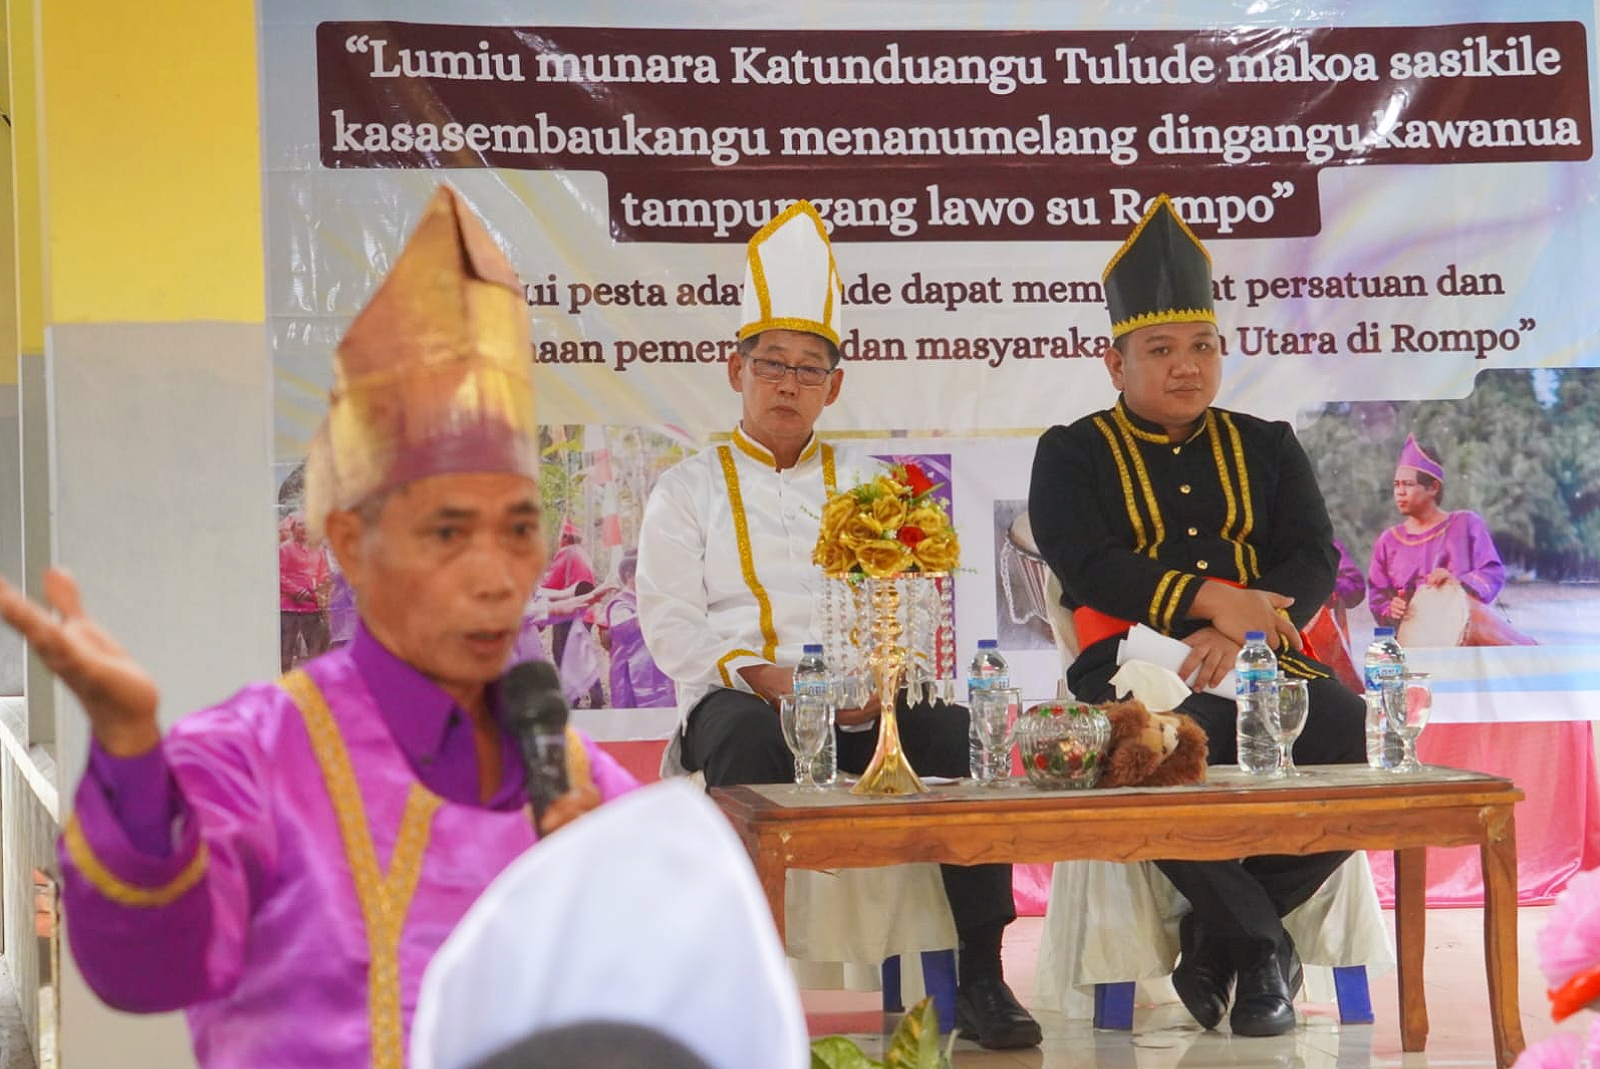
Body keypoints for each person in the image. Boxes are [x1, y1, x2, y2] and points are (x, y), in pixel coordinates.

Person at [0, 185, 639, 1068]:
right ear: (348, 539)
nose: (497, 575)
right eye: (447, 530)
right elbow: (147, 971)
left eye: (521, 527)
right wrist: (129, 754)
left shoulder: (579, 782)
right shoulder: (246, 759)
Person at [635, 200, 1041, 1050]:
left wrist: (878, 684)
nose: (788, 382)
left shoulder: (870, 482)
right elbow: (672, 630)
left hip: (864, 704)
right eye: (771, 363)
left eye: (808, 368)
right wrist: (769, 679)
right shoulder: (688, 488)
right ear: (735, 368)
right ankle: (743, 986)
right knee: (747, 744)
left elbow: (910, 602)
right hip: (742, 698)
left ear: (835, 385)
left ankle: (982, 975)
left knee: (954, 732)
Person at [1027, 195, 1366, 1038]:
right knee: (1139, 755)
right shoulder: (1070, 450)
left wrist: (1238, 630)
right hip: (1125, 665)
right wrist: (1213, 600)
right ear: (1115, 362)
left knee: (1353, 735)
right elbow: (1090, 562)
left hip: (1260, 659)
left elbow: (1313, 558)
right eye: (1162, 349)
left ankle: (1217, 938)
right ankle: (1258, 943)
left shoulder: (1267, 442)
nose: (1187, 366)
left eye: (1203, 346)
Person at [1368, 435, 1536, 646]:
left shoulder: (1465, 524)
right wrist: (1390, 608)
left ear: (1433, 488)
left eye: (1408, 484)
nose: (1399, 492)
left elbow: (1492, 572)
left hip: (1467, 643)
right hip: (1414, 646)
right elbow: (1377, 597)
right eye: (1396, 485)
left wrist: (1458, 585)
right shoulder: (1388, 541)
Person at [599, 551, 676, 708]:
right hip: (629, 677)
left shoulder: (644, 600)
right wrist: (654, 611)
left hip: (652, 674)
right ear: (629, 575)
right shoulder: (621, 603)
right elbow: (620, 626)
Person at [278, 511, 330, 671]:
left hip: (312, 608)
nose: (305, 528)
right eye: (301, 524)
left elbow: (324, 573)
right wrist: (298, 591)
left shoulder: (318, 550)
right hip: (289, 608)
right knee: (286, 650)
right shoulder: (284, 550)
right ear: (293, 529)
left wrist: (320, 591)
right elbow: (278, 575)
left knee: (315, 650)